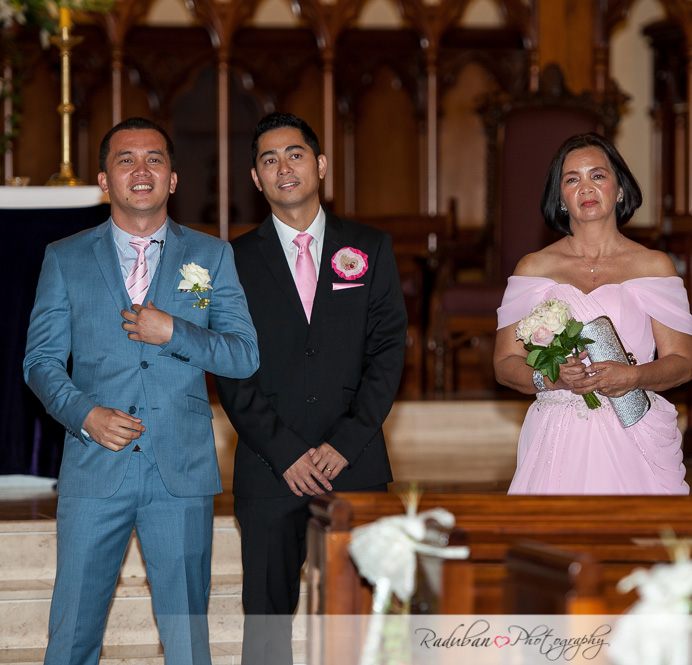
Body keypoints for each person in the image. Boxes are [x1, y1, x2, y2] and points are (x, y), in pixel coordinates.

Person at [22, 117, 259, 665]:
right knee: (72, 634)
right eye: (125, 160)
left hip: (180, 469)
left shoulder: (211, 255)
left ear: (173, 179)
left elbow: (243, 354)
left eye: (154, 159)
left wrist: (174, 330)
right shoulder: (65, 256)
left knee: (186, 641)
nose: (141, 170)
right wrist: (86, 414)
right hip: (93, 466)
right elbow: (40, 362)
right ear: (104, 180)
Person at [214, 113, 407, 665]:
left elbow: (388, 353)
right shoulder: (232, 260)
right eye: (268, 160)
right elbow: (229, 366)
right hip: (271, 467)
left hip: (357, 462)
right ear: (255, 178)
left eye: (294, 154)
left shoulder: (369, 247)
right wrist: (285, 451)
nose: (283, 167)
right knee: (268, 623)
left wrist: (345, 443)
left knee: (367, 618)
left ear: (320, 164)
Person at [494, 132, 692, 494]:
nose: (586, 188)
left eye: (598, 176)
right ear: (560, 198)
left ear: (619, 189)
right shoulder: (534, 268)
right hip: (557, 434)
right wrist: (550, 378)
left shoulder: (654, 265)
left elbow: (682, 362)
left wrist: (632, 378)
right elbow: (505, 361)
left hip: (632, 428)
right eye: (572, 179)